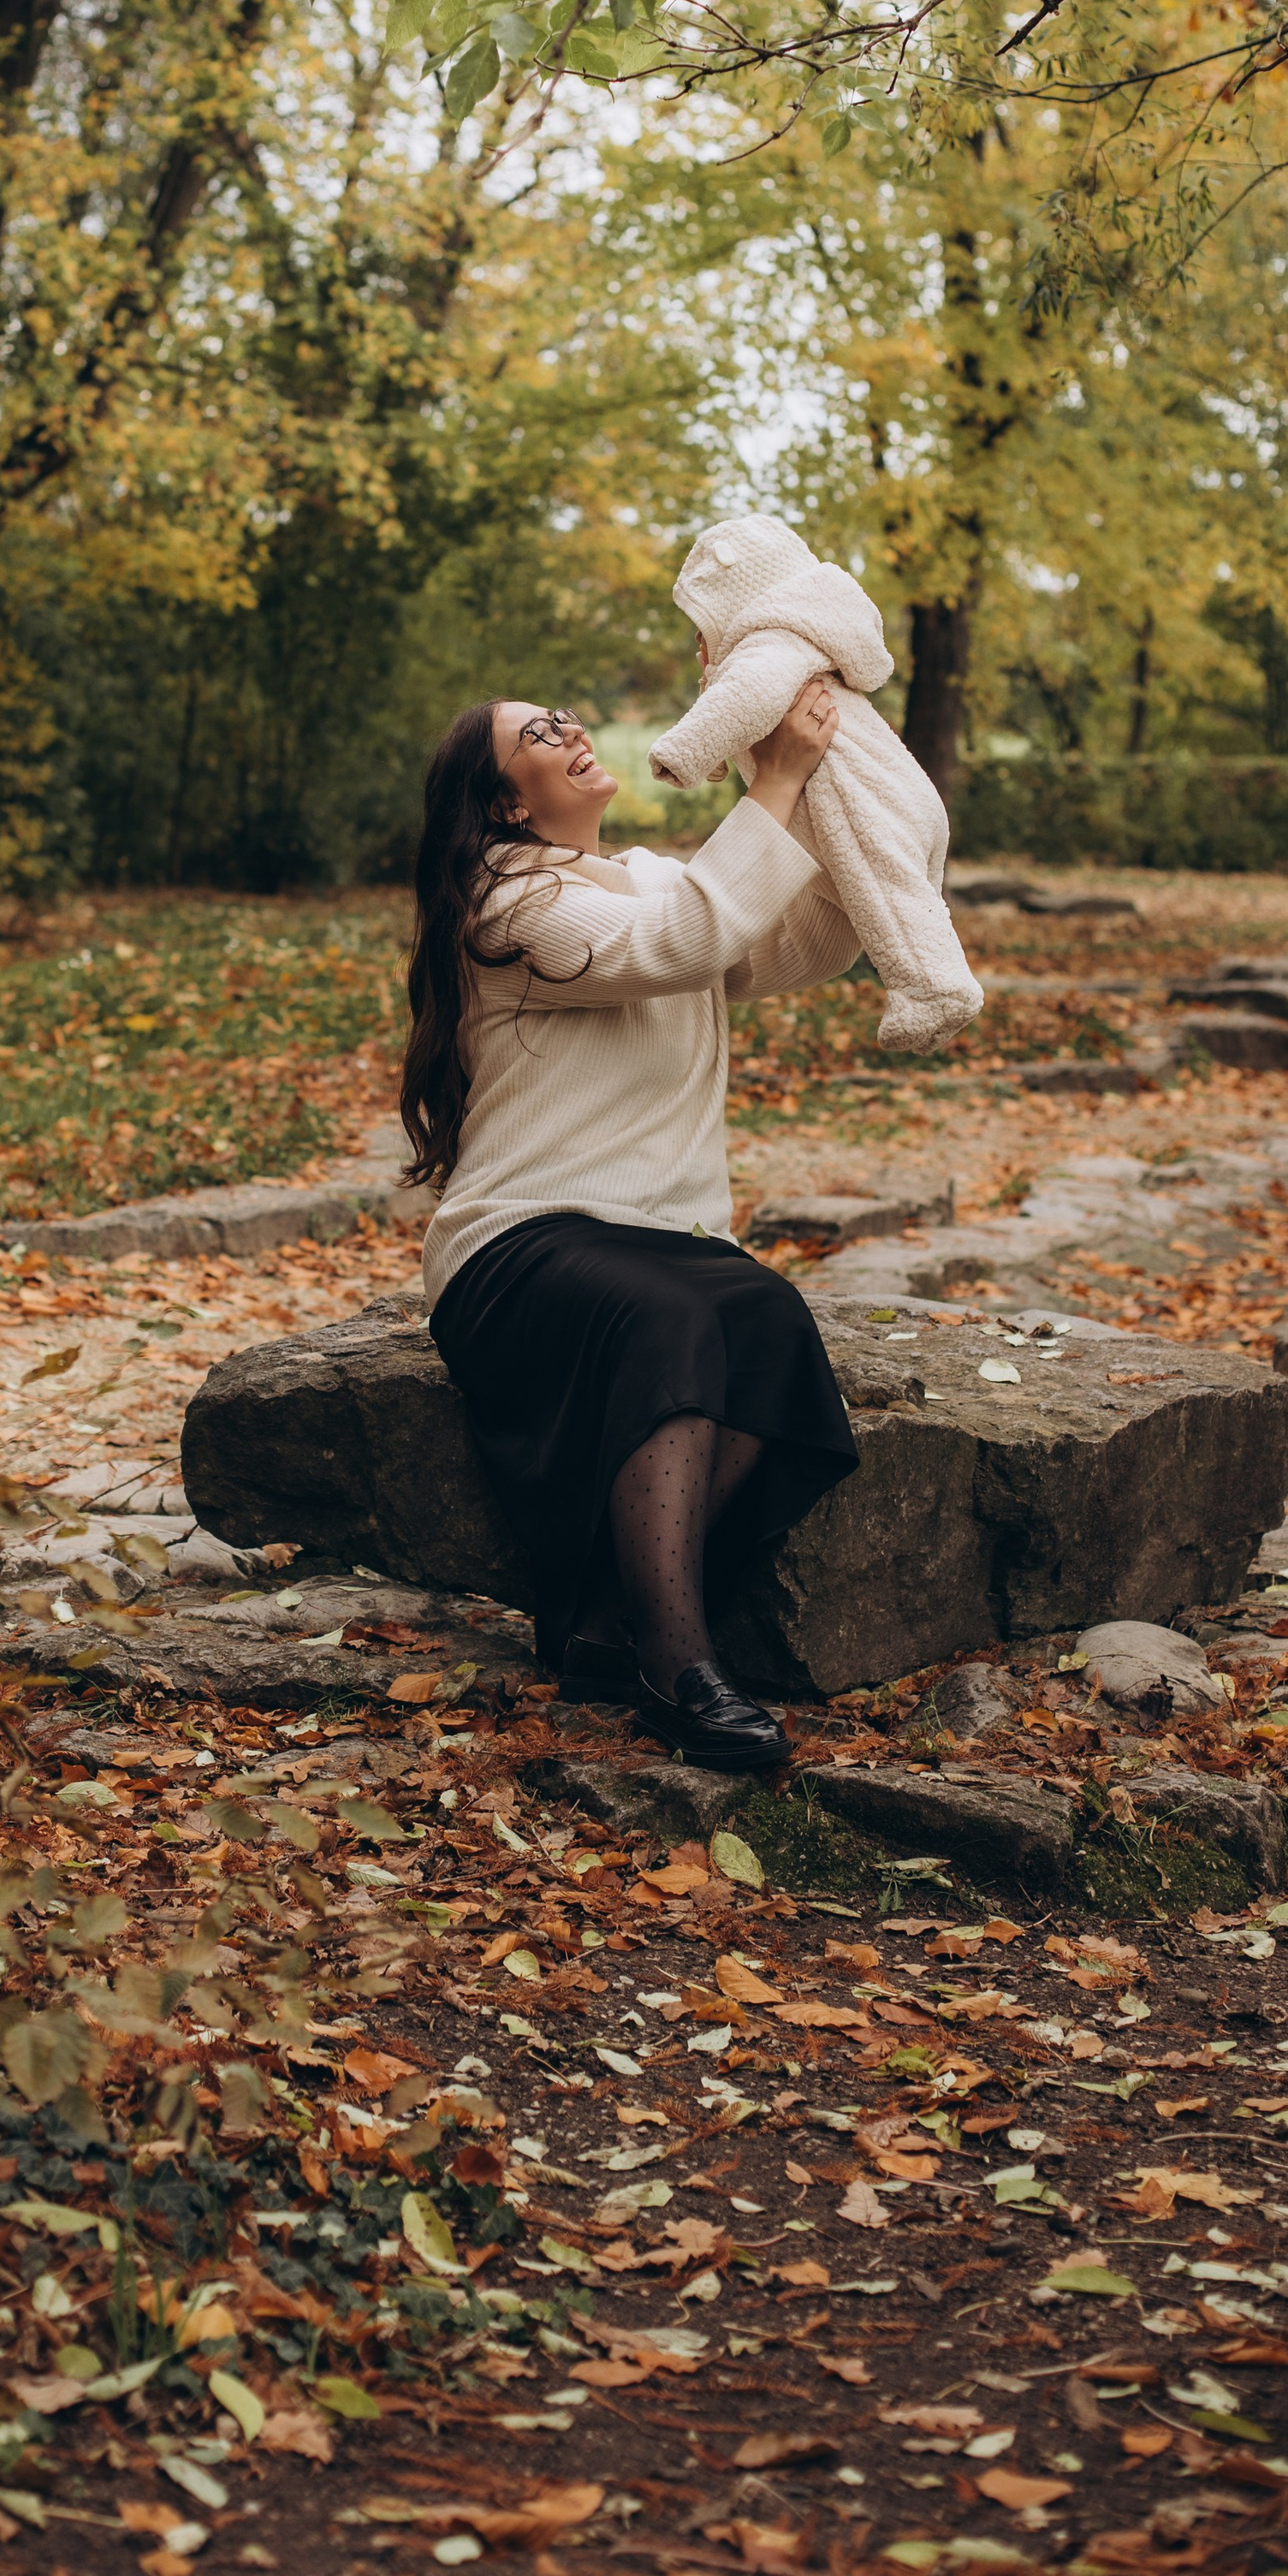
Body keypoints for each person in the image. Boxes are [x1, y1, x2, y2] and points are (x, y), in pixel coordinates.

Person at [401, 687, 862, 1770]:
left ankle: (603, 1620)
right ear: (505, 806)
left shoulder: (656, 879)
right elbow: (676, 943)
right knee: (669, 1320)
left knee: (767, 1318)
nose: (567, 734)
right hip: (522, 1243)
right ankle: (678, 1664)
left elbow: (797, 940)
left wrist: (853, 811)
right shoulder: (504, 903)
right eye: (536, 736)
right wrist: (775, 781)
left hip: (667, 1233)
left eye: (564, 719)